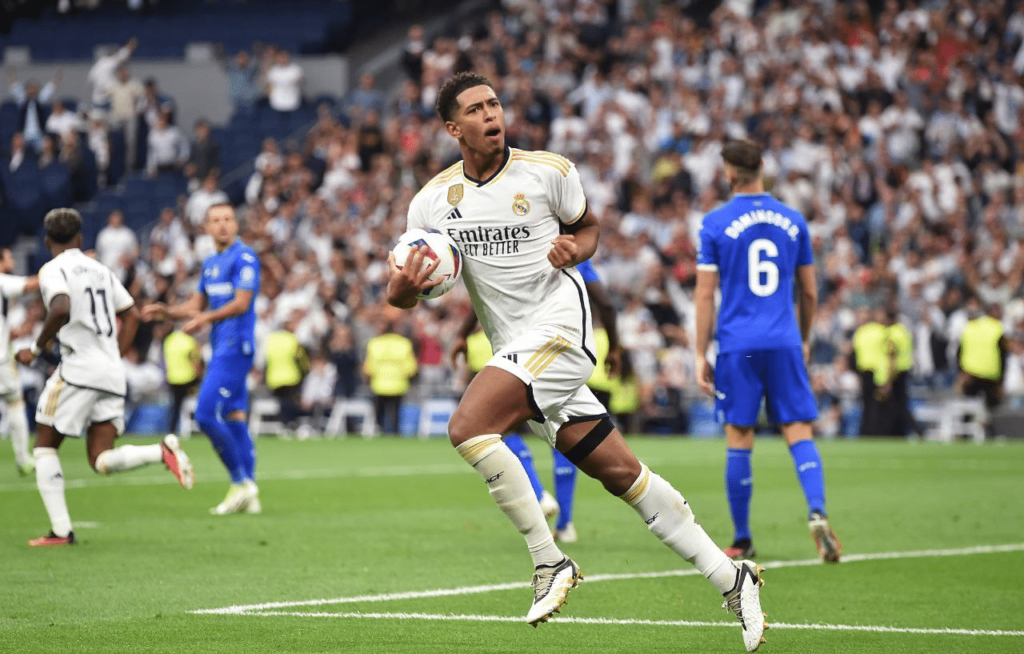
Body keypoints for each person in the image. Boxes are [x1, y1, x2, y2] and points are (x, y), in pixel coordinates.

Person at [386, 72, 765, 651]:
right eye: (476, 109)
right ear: (452, 128)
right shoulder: (432, 202)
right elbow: (403, 292)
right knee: (623, 476)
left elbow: (588, 230)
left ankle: (549, 561)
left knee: (467, 427)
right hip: (516, 350)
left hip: (562, 330)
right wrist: (404, 290)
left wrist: (573, 249)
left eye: (495, 103)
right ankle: (732, 577)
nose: (491, 114)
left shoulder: (548, 172)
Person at [694, 138, 840, 565]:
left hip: (737, 344)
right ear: (762, 169)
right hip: (784, 340)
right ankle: (817, 509)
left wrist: (700, 352)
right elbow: (809, 292)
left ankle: (742, 539)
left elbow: (704, 295)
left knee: (740, 437)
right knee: (798, 430)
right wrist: (804, 338)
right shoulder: (794, 220)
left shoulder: (715, 223)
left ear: (729, 173)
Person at [15, 208, 193, 547]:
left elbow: (60, 307)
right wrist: (115, 353)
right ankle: (161, 452)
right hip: (111, 371)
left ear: (47, 241)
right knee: (100, 458)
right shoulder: (101, 270)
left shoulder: (53, 269)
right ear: (81, 238)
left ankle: (61, 531)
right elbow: (133, 314)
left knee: (44, 445)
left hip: (79, 369)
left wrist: (36, 349)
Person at [142, 203, 261, 516]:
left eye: (228, 219)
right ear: (206, 227)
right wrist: (168, 312)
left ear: (236, 224)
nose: (222, 225)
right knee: (235, 417)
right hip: (221, 346)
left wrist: (206, 318)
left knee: (206, 415)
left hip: (235, 346)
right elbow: (195, 304)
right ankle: (250, 492)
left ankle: (240, 482)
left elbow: (241, 303)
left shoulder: (244, 257)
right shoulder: (210, 262)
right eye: (215, 220)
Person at [0, 247, 39, 475]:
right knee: (15, 402)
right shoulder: (1, 280)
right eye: (8, 257)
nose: (12, 259)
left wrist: (9, 335)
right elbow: (31, 284)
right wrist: (64, 266)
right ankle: (23, 458)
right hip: (1, 361)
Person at [957, 298, 1008, 437]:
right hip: (991, 374)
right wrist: (1001, 381)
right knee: (992, 408)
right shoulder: (998, 328)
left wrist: (961, 372)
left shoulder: (970, 327)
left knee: (968, 408)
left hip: (971, 373)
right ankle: (992, 434)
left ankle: (964, 435)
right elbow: (1003, 356)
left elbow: (960, 352)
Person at [362, 313, 417, 435]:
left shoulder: (374, 343)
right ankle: (396, 435)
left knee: (379, 415)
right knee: (396, 414)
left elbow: (368, 368)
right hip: (399, 385)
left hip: (379, 385)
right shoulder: (404, 343)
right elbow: (411, 368)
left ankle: (380, 433)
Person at [162, 328, 202, 436]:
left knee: (175, 408)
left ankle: (171, 431)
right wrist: (199, 377)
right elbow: (195, 362)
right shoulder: (190, 341)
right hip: (189, 378)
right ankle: (193, 430)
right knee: (193, 405)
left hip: (172, 378)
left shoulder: (169, 340)